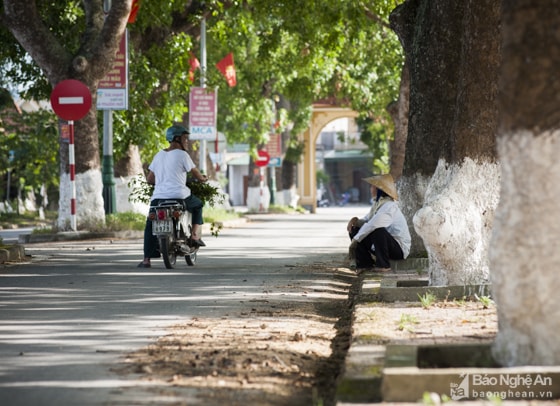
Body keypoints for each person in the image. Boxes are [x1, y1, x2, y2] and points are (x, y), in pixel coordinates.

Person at [137, 125, 208, 268]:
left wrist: (164, 180)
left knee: (150, 223)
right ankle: (195, 236)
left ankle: (146, 259)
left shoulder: (158, 155)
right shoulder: (182, 155)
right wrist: (202, 179)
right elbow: (195, 173)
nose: (186, 141)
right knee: (198, 204)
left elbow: (150, 180)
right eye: (184, 138)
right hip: (179, 196)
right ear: (177, 139)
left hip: (158, 199)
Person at [346, 174, 411, 273]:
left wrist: (355, 240)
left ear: (379, 190)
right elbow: (367, 220)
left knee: (378, 230)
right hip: (384, 245)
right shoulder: (378, 204)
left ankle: (383, 265)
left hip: (399, 249)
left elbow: (373, 224)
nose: (370, 189)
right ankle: (365, 264)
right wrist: (355, 221)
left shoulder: (389, 207)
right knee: (354, 229)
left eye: (372, 187)